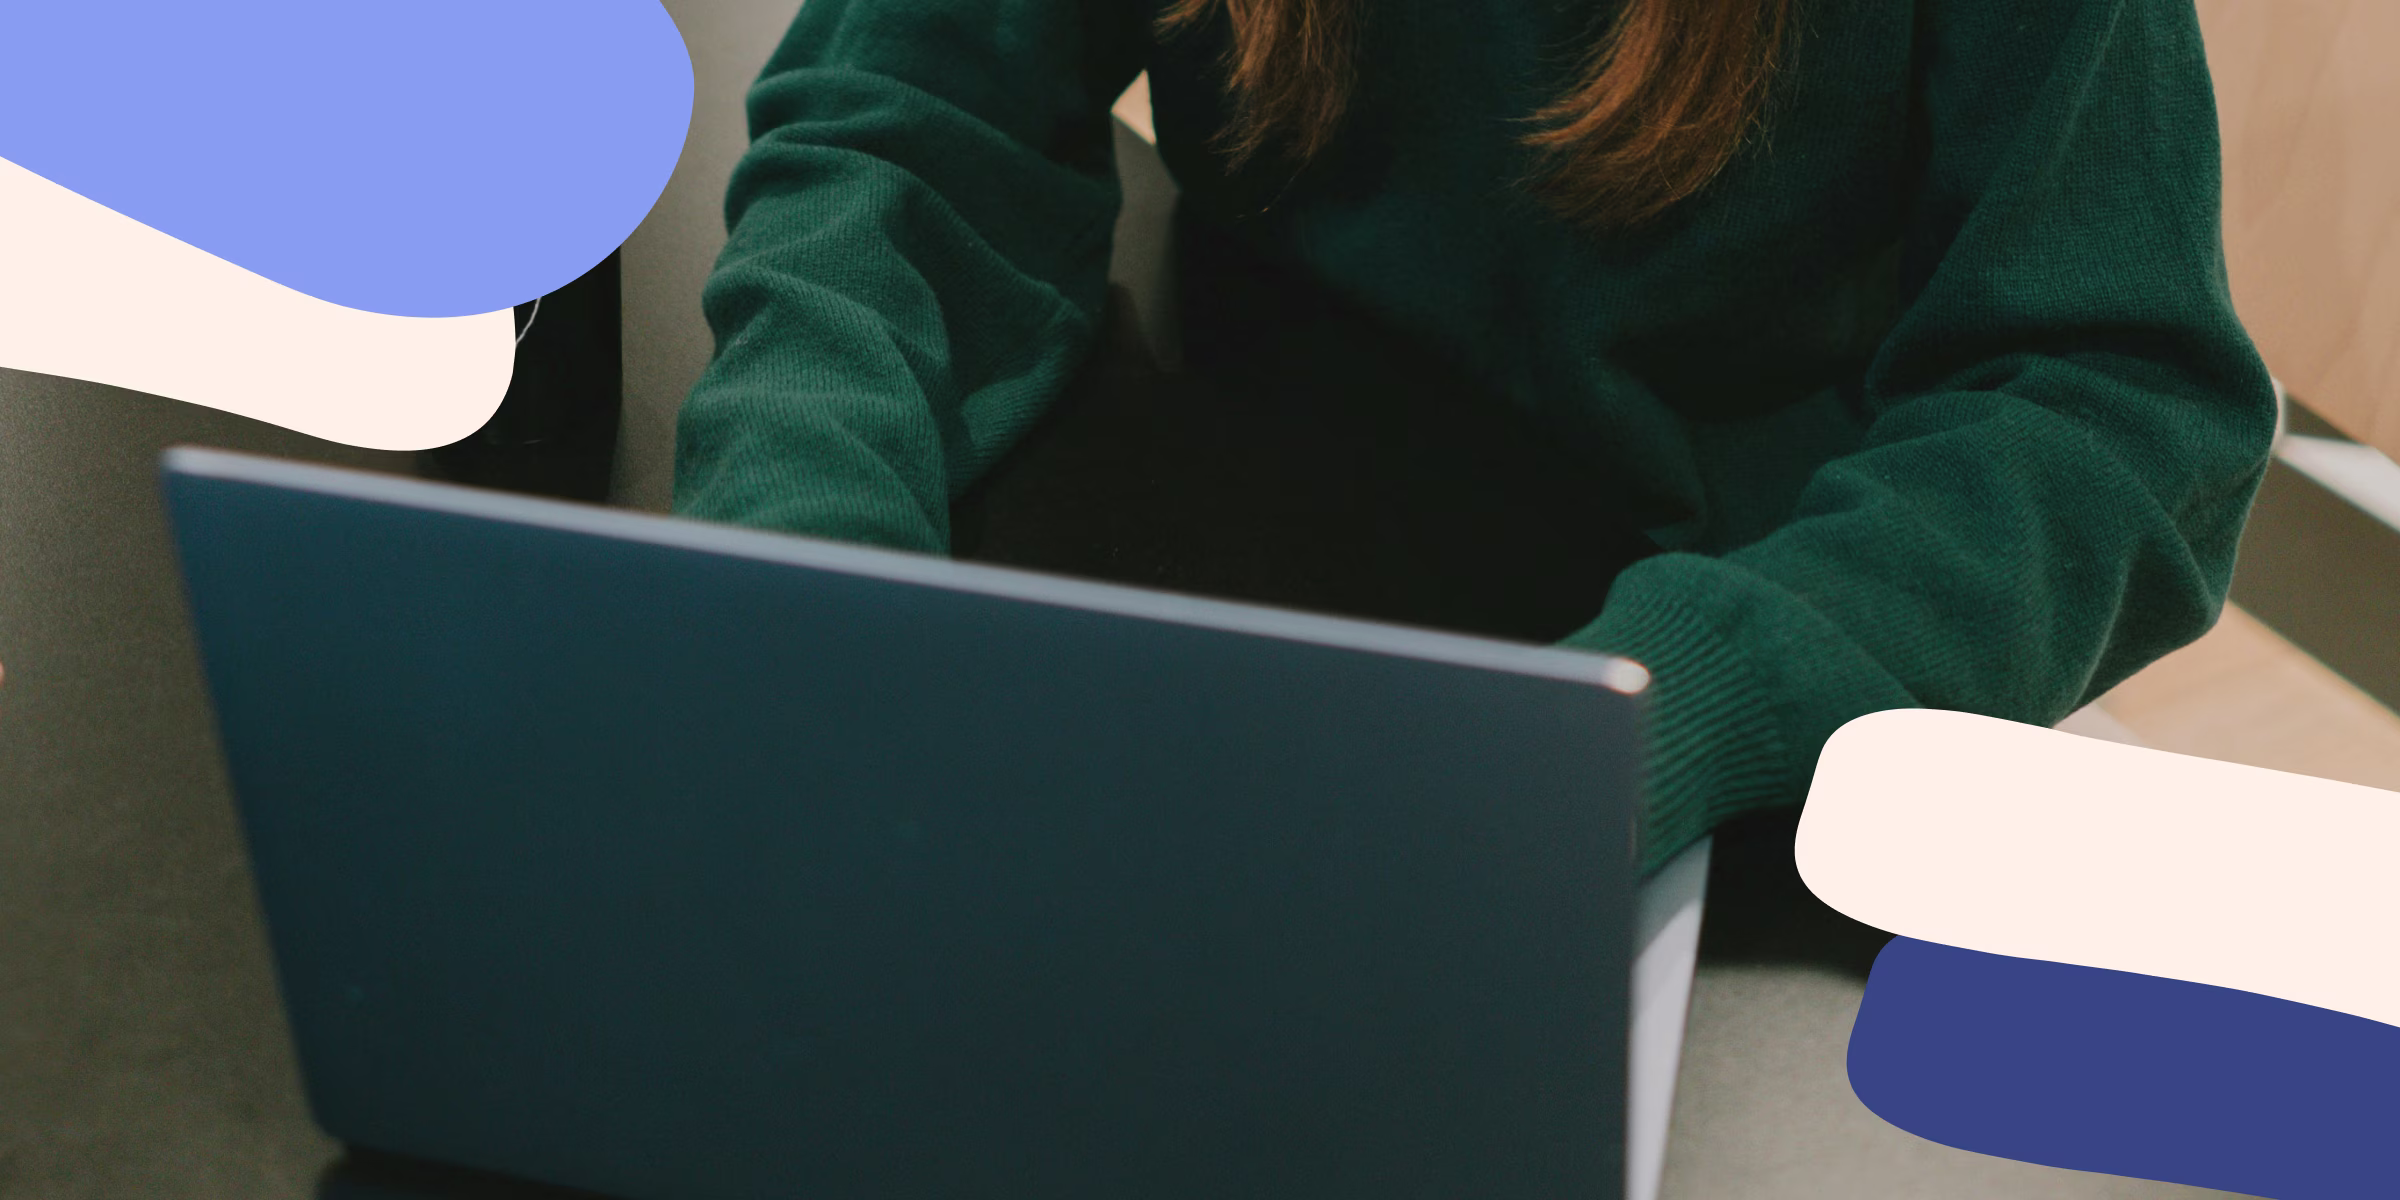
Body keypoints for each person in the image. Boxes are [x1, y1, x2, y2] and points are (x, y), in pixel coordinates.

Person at [671, 0, 2275, 875]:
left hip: (1734, 651)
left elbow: (2108, 403)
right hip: (1240, 559)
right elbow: (906, 122)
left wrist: (1665, 714)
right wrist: (805, 560)